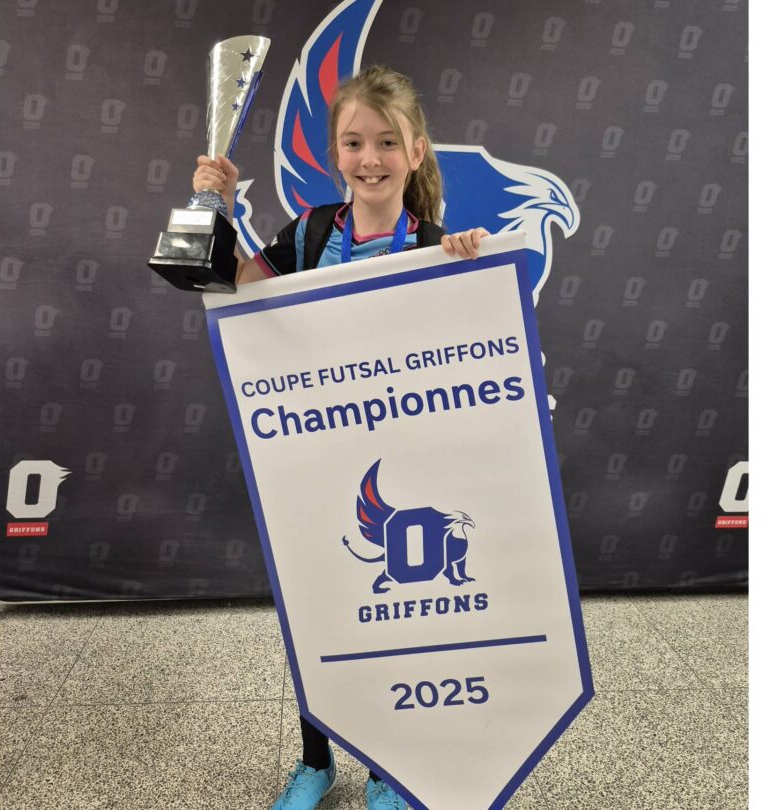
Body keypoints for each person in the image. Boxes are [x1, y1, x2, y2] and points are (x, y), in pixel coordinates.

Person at [190, 66, 488, 810]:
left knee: (398, 617)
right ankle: (315, 762)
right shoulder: (312, 232)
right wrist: (215, 207)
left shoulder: (438, 244)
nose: (370, 158)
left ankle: (390, 768)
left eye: (387, 142)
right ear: (335, 154)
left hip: (403, 472)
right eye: (354, 142)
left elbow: (477, 347)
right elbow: (242, 288)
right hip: (315, 462)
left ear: (416, 152)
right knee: (317, 611)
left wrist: (476, 266)